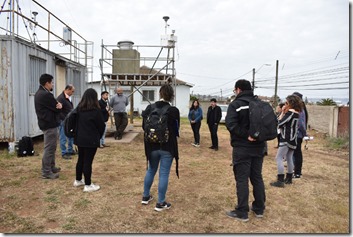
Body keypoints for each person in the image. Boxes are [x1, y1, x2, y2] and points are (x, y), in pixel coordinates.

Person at [225, 79, 266, 222]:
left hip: (242, 148)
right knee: (257, 177)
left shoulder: (236, 105)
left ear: (238, 89)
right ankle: (259, 208)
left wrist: (246, 135)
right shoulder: (260, 104)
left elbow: (230, 124)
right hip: (260, 147)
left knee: (242, 179)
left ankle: (242, 211)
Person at [141, 84, 180, 212]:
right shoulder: (173, 110)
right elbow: (176, 130)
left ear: (160, 93)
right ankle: (160, 202)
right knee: (163, 173)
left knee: (151, 170)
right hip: (167, 146)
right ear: (171, 95)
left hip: (151, 146)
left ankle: (145, 196)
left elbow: (144, 127)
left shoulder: (149, 108)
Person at [73, 88, 105, 192]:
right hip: (91, 140)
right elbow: (101, 126)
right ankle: (88, 184)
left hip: (79, 139)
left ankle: (78, 180)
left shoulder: (79, 109)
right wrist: (98, 137)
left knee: (81, 159)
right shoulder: (96, 111)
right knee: (88, 162)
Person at [270, 95, 303, 188]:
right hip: (293, 139)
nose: (285, 104)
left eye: (286, 103)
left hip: (286, 138)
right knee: (289, 158)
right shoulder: (297, 113)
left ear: (290, 104)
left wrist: (282, 113)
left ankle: (280, 180)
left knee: (279, 158)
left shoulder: (290, 113)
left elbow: (279, 123)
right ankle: (289, 178)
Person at [34, 73, 62, 179]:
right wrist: (59, 106)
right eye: (52, 83)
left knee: (52, 146)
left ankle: (51, 166)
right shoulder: (46, 95)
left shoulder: (40, 93)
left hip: (46, 123)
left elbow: (56, 105)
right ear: (47, 83)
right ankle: (46, 171)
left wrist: (58, 105)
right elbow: (57, 106)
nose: (53, 85)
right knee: (49, 148)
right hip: (49, 124)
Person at [292, 92, 308, 179]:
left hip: (297, 135)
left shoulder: (300, 109)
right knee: (294, 153)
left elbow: (301, 123)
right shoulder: (298, 108)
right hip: (295, 134)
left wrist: (304, 133)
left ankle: (298, 172)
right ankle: (295, 170)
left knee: (297, 153)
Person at [57, 84, 76, 160]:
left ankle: (70, 150)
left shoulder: (68, 97)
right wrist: (64, 118)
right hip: (63, 121)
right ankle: (64, 152)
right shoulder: (61, 98)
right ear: (67, 89)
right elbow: (58, 111)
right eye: (72, 91)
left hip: (69, 121)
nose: (73, 93)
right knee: (63, 137)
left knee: (70, 136)